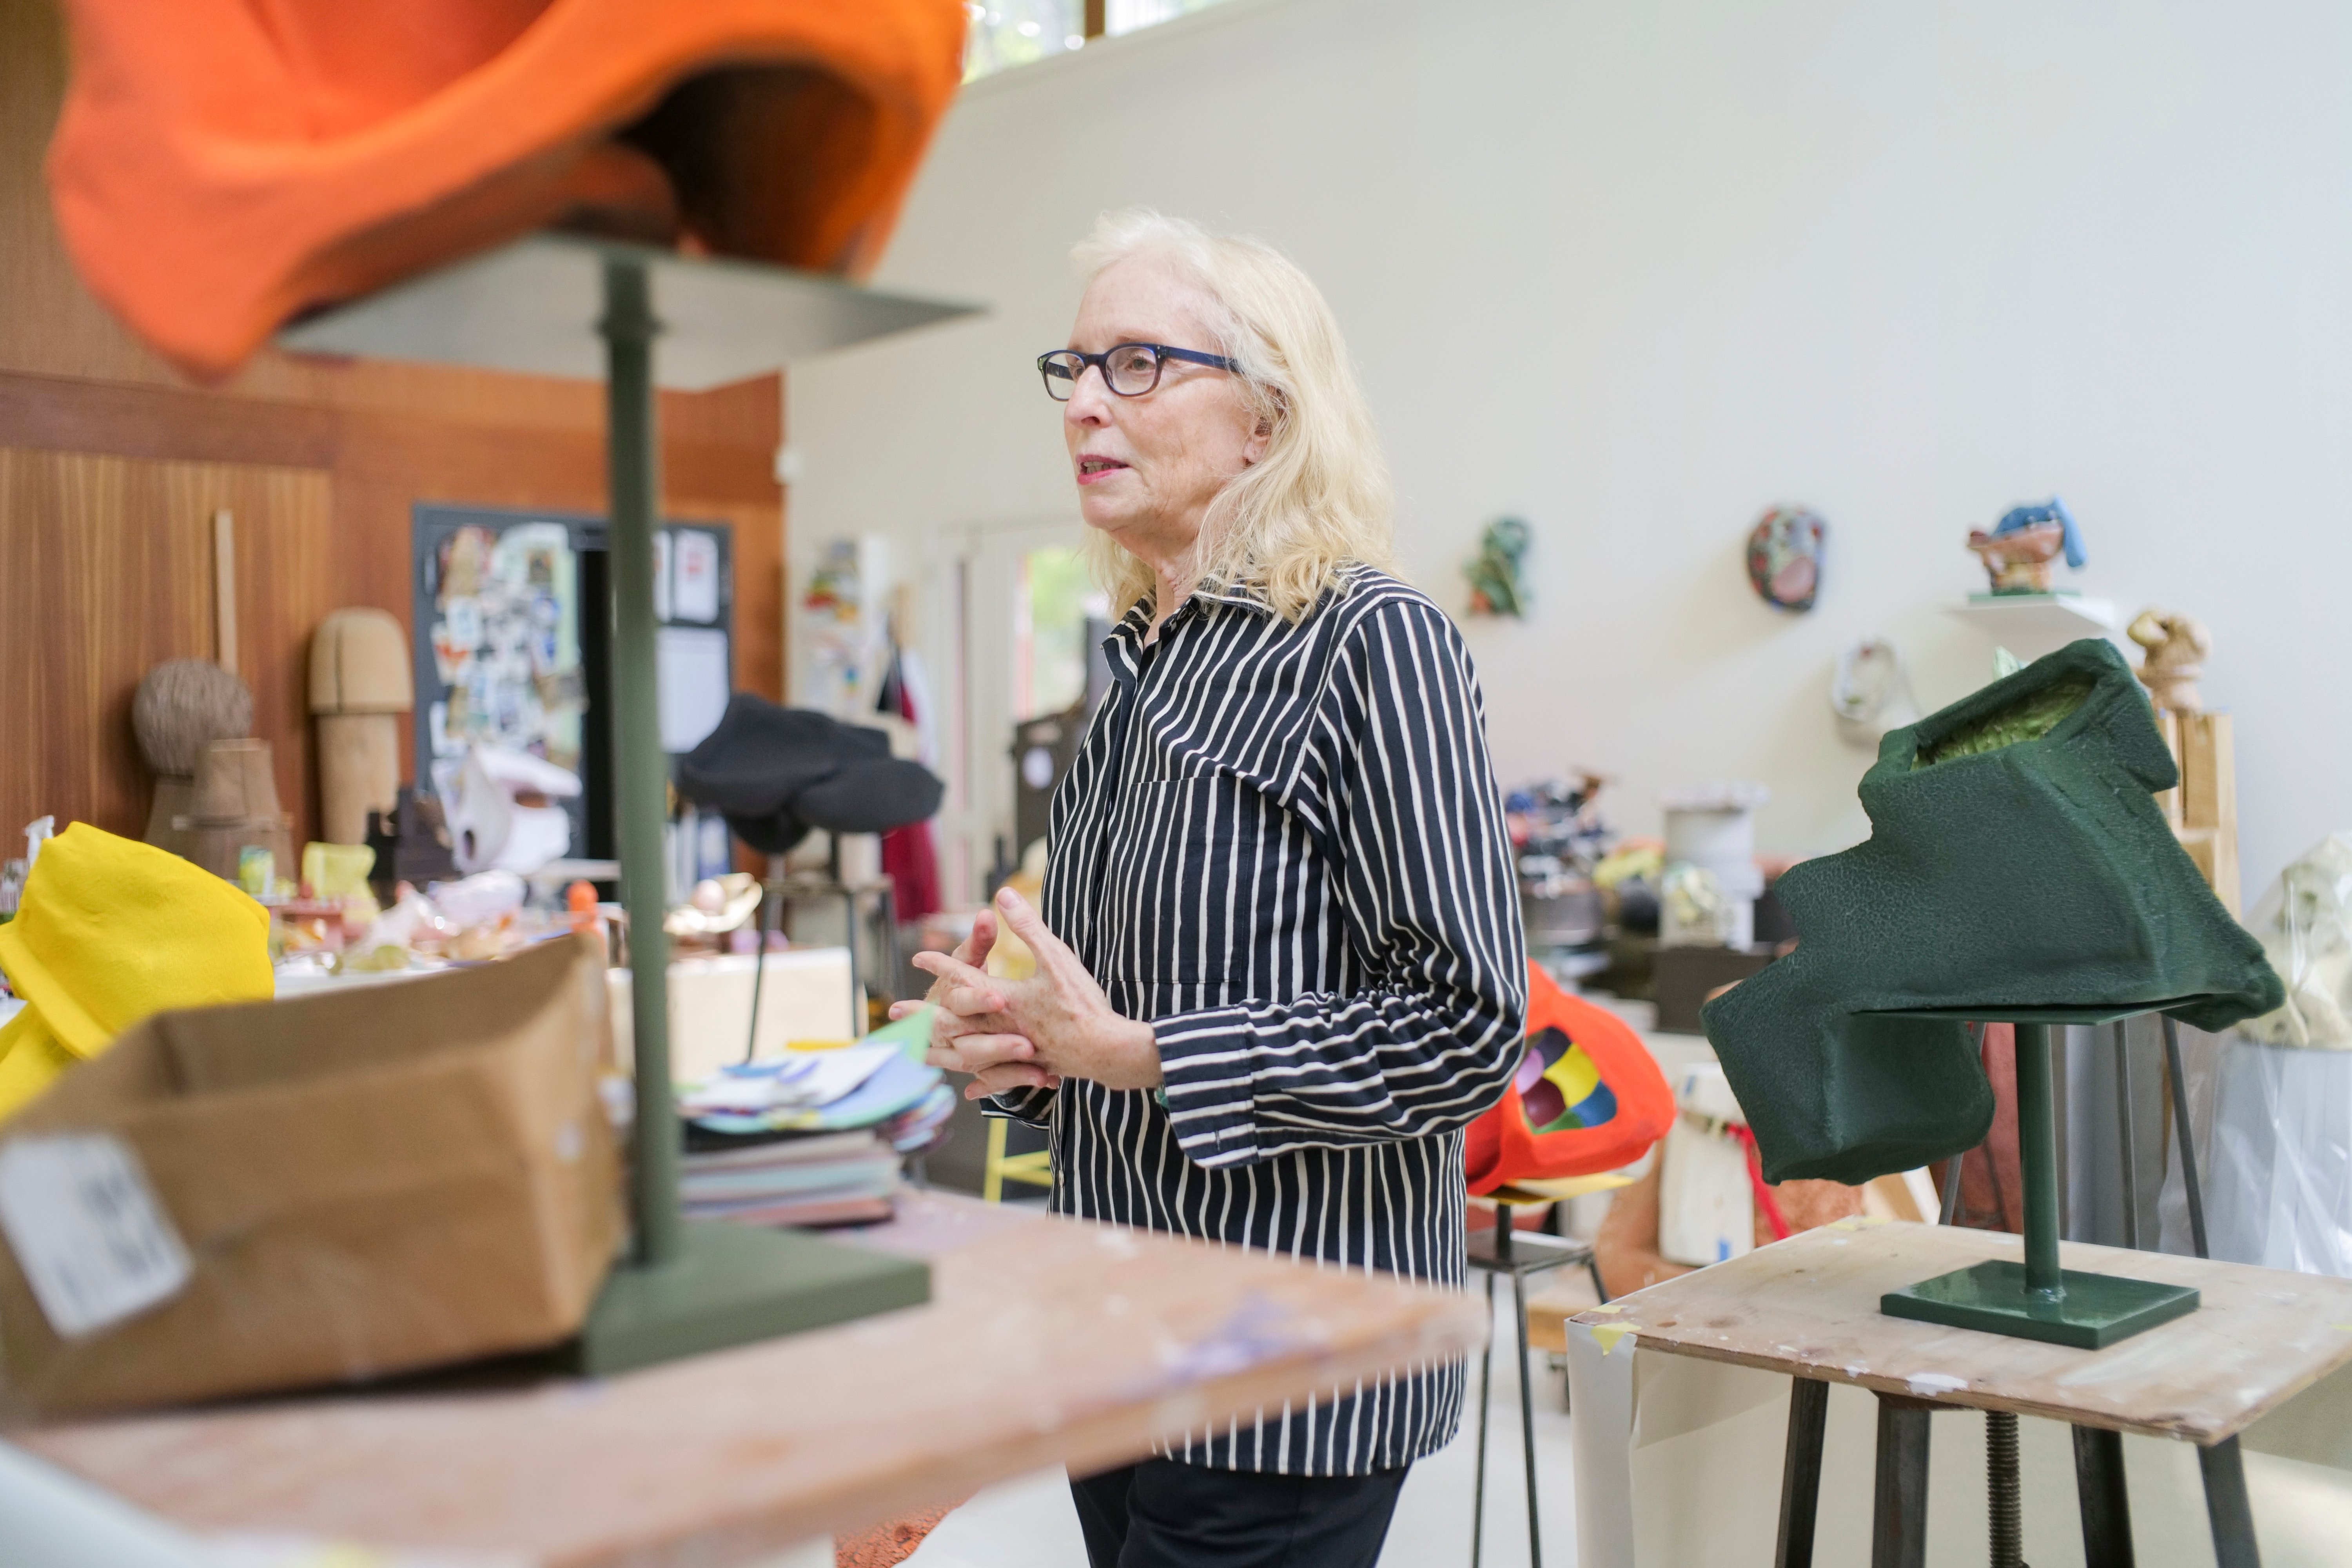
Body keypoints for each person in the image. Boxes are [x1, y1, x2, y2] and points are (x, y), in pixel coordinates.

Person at [895, 210, 1526, 1568]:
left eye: (1139, 365)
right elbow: (1111, 1022)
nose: (1086, 408)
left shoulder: (1372, 644)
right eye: (1075, 371)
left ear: (1266, 418)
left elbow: (1468, 1027)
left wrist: (1142, 1053)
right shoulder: (1134, 668)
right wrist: (1022, 1050)